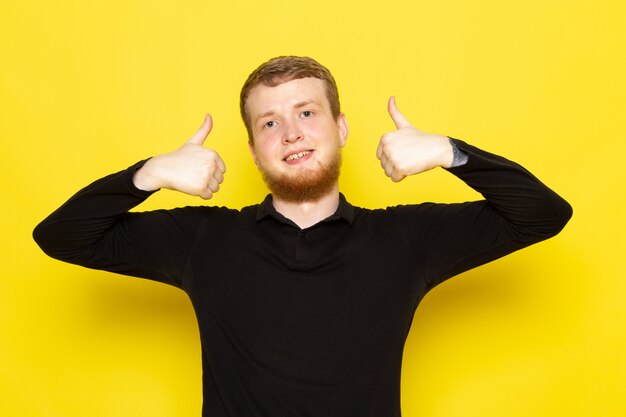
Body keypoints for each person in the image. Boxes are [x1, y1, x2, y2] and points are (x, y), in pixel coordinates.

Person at [33, 56, 572, 417]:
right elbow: (61, 237)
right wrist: (148, 174)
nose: (290, 132)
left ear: (340, 128)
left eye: (307, 112)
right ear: (252, 151)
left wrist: (451, 153)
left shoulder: (406, 239)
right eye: (268, 123)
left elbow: (543, 214)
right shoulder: (203, 240)